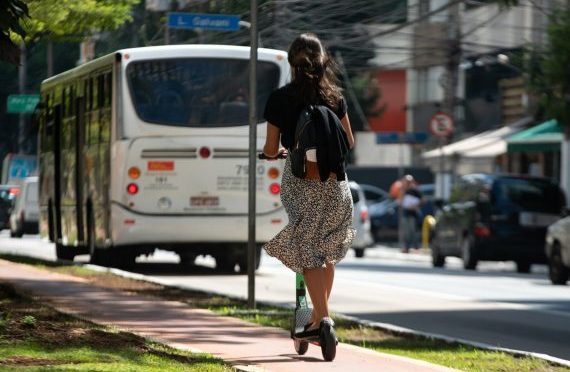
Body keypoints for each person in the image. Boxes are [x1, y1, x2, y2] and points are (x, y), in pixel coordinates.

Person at [261, 33, 355, 336]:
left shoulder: (279, 100)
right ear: (322, 62)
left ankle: (323, 320)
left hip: (301, 184)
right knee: (326, 251)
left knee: (307, 249)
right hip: (336, 184)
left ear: (292, 64)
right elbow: (349, 142)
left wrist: (273, 153)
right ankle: (315, 318)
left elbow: (272, 149)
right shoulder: (335, 98)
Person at [398, 175, 423, 253]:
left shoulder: (415, 190)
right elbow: (400, 201)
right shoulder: (403, 190)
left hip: (413, 214)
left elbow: (423, 200)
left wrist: (415, 206)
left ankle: (416, 247)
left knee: (413, 232)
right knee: (406, 232)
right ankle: (406, 248)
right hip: (405, 214)